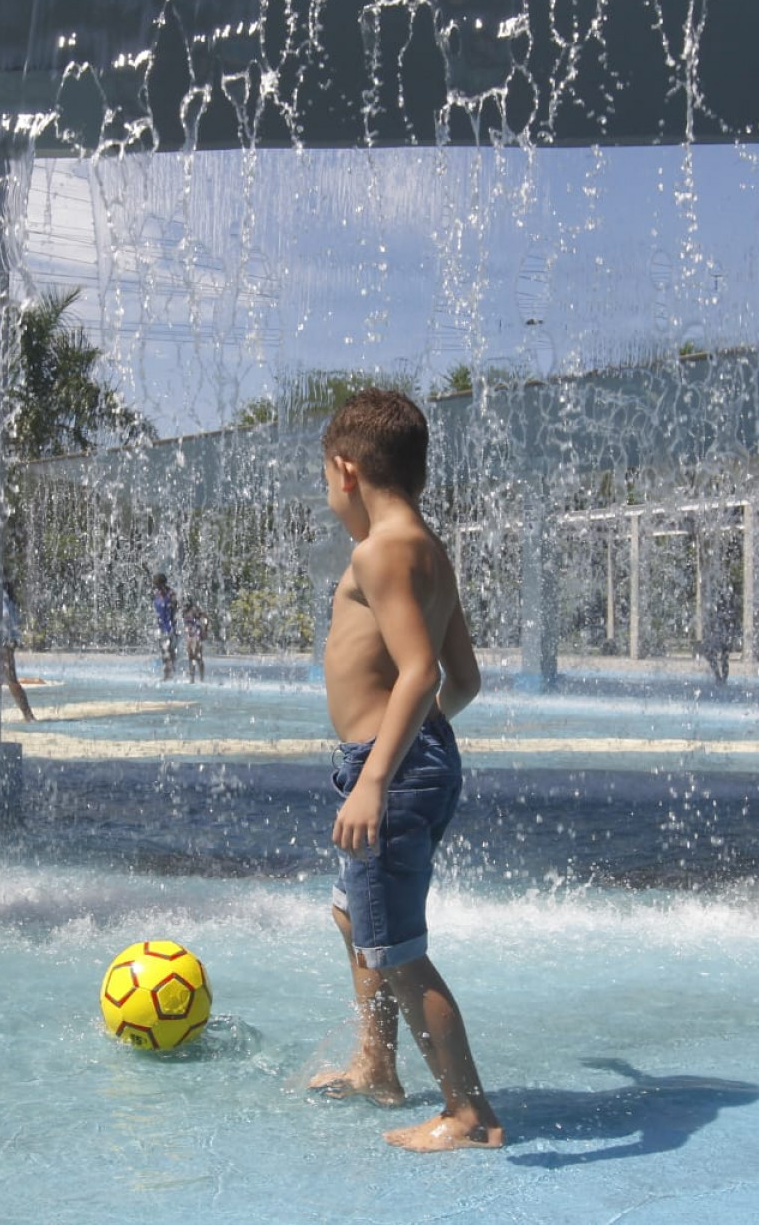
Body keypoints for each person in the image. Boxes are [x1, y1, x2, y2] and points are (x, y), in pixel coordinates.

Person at [308, 388, 503, 1153]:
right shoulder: (427, 547)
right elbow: (466, 679)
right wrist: (424, 747)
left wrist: (380, 774)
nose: (329, 495)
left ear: (347, 469)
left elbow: (420, 672)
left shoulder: (379, 551)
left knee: (396, 949)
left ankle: (469, 1113)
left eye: (327, 480)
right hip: (410, 757)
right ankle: (378, 1064)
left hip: (383, 768)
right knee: (356, 916)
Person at [0, 576, 36, 722]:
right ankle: (28, 715)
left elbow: (5, 617)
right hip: (7, 641)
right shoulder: (8, 598)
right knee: (11, 680)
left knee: (10, 680)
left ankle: (28, 715)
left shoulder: (0, 595)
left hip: (2, 641)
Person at [150, 572, 177, 680]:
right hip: (160, 626)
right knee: (163, 651)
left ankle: (169, 674)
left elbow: (176, 610)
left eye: (157, 585)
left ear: (163, 584)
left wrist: (174, 625)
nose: (156, 587)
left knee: (168, 651)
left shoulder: (171, 594)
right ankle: (168, 673)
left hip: (169, 626)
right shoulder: (157, 593)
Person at [180, 597, 210, 683]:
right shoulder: (184, 612)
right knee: (191, 657)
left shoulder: (195, 610)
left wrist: (205, 630)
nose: (184, 606)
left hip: (197, 635)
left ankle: (201, 678)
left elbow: (206, 618)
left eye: (186, 604)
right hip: (189, 636)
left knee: (198, 656)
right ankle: (192, 678)